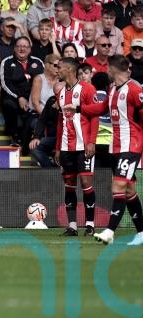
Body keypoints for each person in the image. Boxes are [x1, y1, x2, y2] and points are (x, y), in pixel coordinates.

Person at [77, 56, 143, 246]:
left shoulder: (135, 90)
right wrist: (78, 108)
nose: (105, 71)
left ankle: (109, 231)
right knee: (129, 189)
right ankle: (142, 232)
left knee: (118, 186)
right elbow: (101, 108)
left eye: (107, 68)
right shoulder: (113, 89)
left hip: (132, 146)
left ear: (113, 69)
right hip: (116, 147)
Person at [54, 56, 98, 237]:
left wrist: (91, 141)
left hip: (83, 145)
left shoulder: (87, 89)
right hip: (66, 147)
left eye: (60, 67)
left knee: (86, 183)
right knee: (69, 185)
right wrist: (57, 147)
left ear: (69, 70)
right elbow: (60, 121)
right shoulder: (60, 93)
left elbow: (95, 116)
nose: (57, 70)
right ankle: (72, 225)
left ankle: (89, 224)